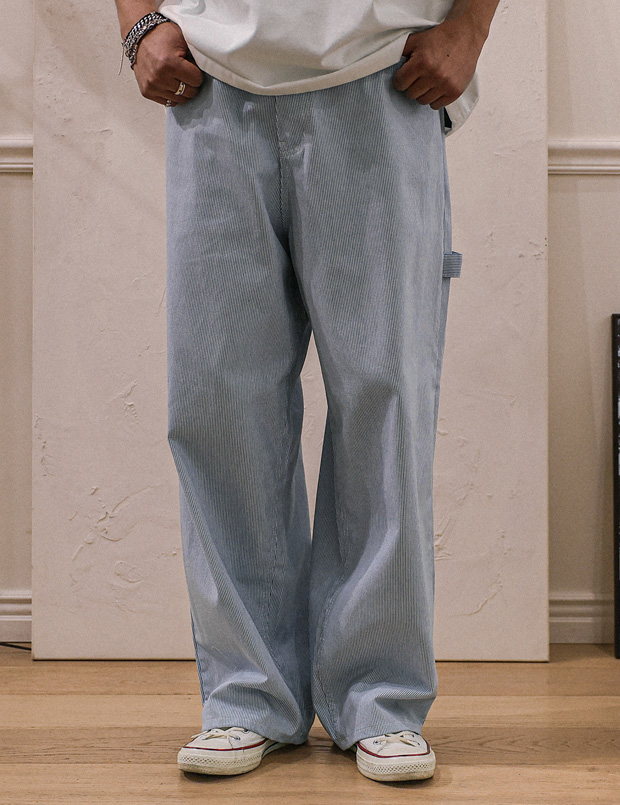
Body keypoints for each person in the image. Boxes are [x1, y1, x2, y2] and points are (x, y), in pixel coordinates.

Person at [114, 0, 499, 784]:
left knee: (386, 399)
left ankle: (380, 698)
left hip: (381, 75)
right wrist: (138, 24)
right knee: (216, 405)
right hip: (211, 84)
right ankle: (247, 694)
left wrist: (469, 30)